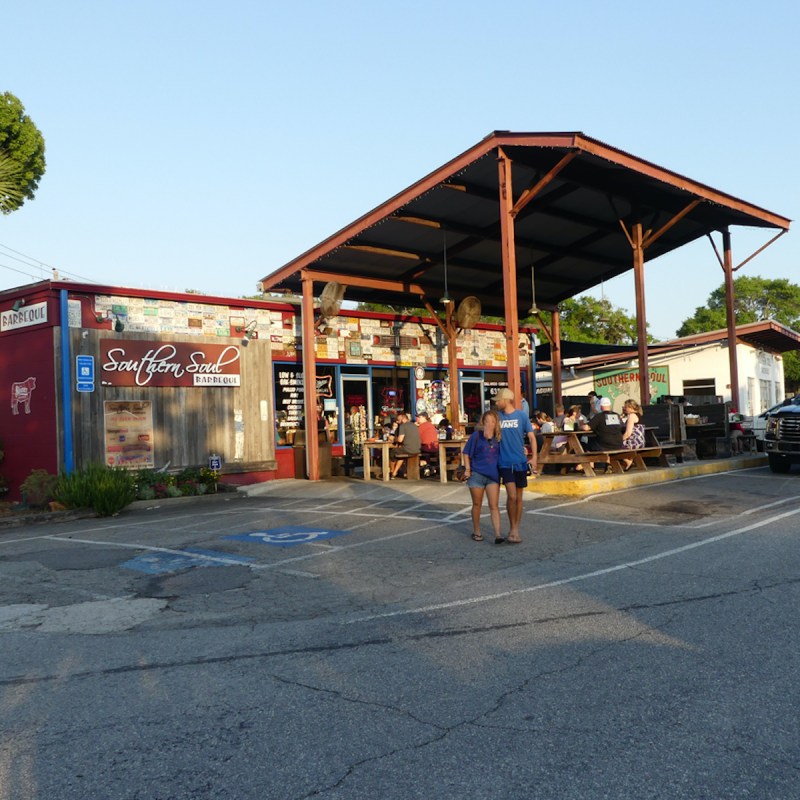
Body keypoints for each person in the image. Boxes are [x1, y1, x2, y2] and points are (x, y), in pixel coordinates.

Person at [494, 388, 537, 544]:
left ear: (506, 400)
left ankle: (514, 529)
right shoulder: (496, 417)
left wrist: (534, 458)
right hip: (504, 461)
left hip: (520, 461)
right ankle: (512, 528)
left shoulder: (521, 416)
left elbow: (531, 437)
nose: (496, 403)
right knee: (511, 495)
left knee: (518, 497)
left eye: (498, 400)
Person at [462, 410, 503, 543]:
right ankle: (477, 530)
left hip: (493, 476)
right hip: (477, 474)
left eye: (492, 421)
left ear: (496, 423)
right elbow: (466, 453)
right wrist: (468, 469)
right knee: (477, 504)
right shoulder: (477, 436)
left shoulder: (499, 437)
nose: (489, 424)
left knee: (494, 505)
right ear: (483, 422)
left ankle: (498, 534)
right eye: (487, 421)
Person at [390, 411, 421, 478]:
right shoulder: (414, 425)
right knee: (400, 453)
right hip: (418, 449)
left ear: (403, 419)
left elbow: (400, 440)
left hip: (408, 449)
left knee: (392, 452)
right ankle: (395, 472)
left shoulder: (403, 426)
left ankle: (392, 472)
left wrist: (394, 439)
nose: (398, 422)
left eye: (398, 420)